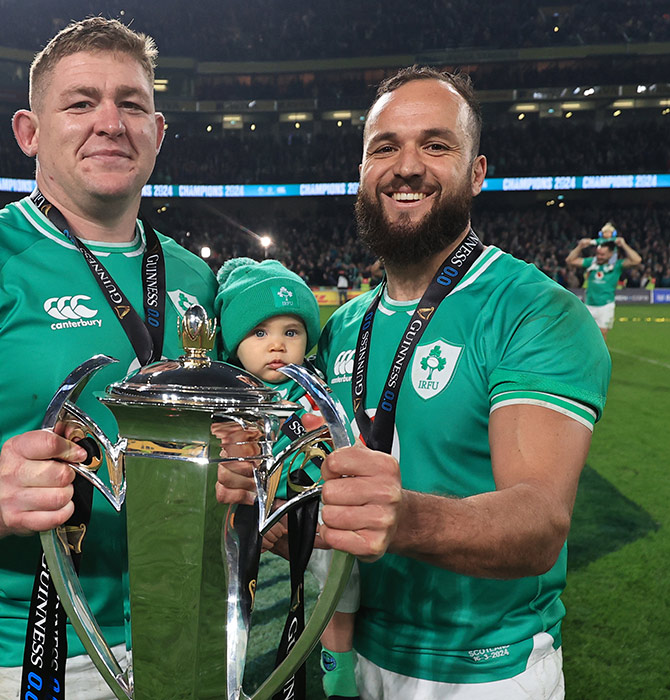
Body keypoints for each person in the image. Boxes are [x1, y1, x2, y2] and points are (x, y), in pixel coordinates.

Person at [0, 18, 217, 700]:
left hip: (187, 625)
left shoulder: (195, 280)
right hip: (38, 649)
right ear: (29, 132)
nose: (110, 122)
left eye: (132, 104)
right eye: (81, 102)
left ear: (159, 132)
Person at [284, 67, 611, 699]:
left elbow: (539, 519)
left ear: (478, 171)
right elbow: (321, 485)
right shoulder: (343, 327)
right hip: (356, 652)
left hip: (485, 669)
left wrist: (398, 519)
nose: (407, 166)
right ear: (362, 171)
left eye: (436, 145)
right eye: (385, 146)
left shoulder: (533, 310)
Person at [213, 257, 362, 699]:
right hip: (246, 527)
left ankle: (338, 671)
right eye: (259, 333)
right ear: (233, 342)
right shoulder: (223, 394)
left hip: (313, 517)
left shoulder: (319, 390)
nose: (276, 345)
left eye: (290, 332)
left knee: (342, 579)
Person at [565, 230, 642, 340]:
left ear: (611, 254)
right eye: (598, 254)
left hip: (605, 306)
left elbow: (637, 260)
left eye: (602, 255)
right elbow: (570, 260)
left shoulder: (616, 265)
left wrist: (624, 245)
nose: (599, 257)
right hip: (589, 304)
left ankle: (599, 357)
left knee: (601, 335)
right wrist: (580, 247)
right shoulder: (592, 262)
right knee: (582, 333)